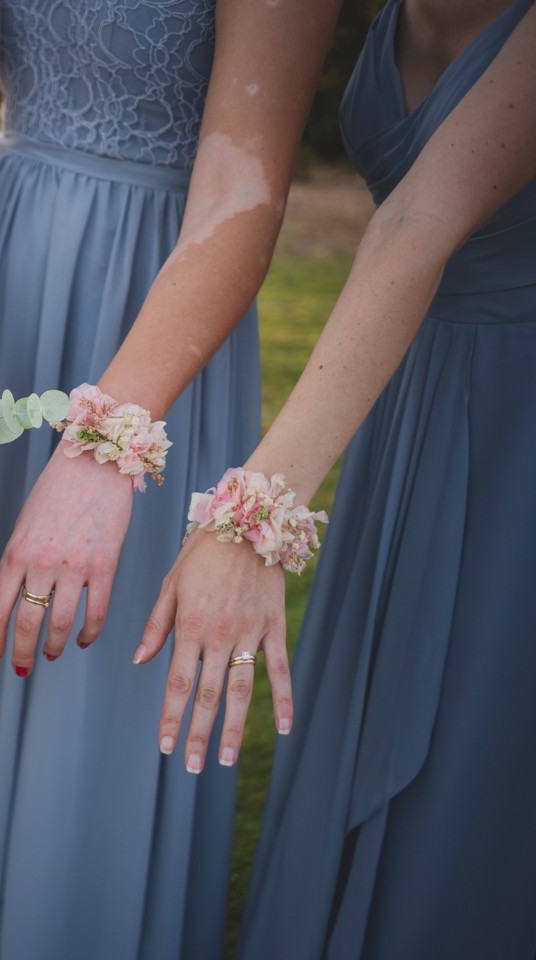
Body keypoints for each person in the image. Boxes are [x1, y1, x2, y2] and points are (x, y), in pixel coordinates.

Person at [136, 2, 536, 956]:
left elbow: (414, 223)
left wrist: (251, 517)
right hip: (406, 396)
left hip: (514, 416)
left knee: (476, 766)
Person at [0, 0, 341, 955]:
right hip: (8, 281)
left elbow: (247, 196)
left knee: (92, 702)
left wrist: (109, 443)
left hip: (148, 303)